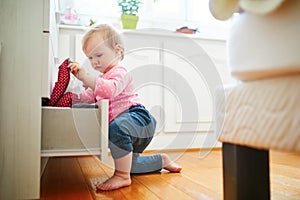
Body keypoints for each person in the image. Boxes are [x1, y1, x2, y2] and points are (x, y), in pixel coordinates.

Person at [68, 24, 182, 191]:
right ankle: (161, 160)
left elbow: (109, 90)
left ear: (117, 50)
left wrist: (86, 77)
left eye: (98, 55)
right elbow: (90, 97)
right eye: (90, 58)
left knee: (117, 128)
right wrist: (70, 97)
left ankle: (121, 176)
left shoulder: (120, 72)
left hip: (138, 118)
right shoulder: (101, 78)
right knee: (131, 165)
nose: (94, 62)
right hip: (127, 128)